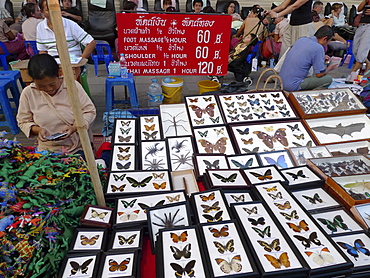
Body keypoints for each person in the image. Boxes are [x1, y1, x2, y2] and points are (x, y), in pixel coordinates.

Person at [16, 54, 96, 156]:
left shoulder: (72, 86)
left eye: (52, 84)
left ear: (59, 73)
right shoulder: (28, 93)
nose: (49, 89)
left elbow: (89, 111)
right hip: (47, 148)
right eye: (41, 86)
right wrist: (38, 130)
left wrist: (74, 127)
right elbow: (23, 121)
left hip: (78, 146)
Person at [279, 25, 337, 91]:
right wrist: (329, 68)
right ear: (324, 39)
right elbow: (319, 74)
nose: (328, 43)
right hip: (292, 85)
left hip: (281, 82)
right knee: (328, 79)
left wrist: (322, 57)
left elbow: (305, 55)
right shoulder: (319, 48)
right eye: (329, 41)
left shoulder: (301, 40)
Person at [349, 0, 370, 79]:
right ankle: (367, 63)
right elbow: (359, 9)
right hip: (362, 25)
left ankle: (353, 72)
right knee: (355, 49)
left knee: (362, 49)